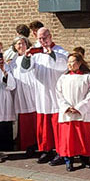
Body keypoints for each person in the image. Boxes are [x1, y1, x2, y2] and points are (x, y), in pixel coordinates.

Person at [28, 27, 67, 164]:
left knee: (56, 123)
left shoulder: (60, 51)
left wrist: (51, 54)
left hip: (55, 92)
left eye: (44, 38)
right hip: (41, 92)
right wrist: (27, 57)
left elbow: (64, 64)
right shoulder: (36, 52)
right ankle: (46, 149)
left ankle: (60, 152)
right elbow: (26, 68)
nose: (42, 41)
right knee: (44, 123)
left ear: (50, 37)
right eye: (39, 39)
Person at [55, 51, 90, 171]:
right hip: (68, 113)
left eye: (72, 62)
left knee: (83, 138)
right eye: (68, 62)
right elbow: (58, 94)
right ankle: (69, 161)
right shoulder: (63, 78)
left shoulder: (88, 77)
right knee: (68, 140)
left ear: (79, 63)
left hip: (82, 113)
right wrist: (66, 107)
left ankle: (85, 160)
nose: (69, 65)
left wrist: (79, 108)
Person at [9, 36, 38, 155]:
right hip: (20, 91)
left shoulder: (32, 57)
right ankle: (26, 144)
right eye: (18, 44)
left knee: (34, 117)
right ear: (15, 47)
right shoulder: (12, 61)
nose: (21, 46)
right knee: (23, 119)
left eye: (23, 43)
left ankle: (36, 144)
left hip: (31, 89)